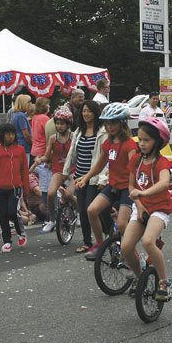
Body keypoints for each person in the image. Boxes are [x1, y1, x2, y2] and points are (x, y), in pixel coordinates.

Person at [123, 117, 172, 301]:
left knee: (148, 241)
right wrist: (139, 202)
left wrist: (143, 194)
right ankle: (140, 276)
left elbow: (164, 182)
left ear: (157, 142)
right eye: (140, 139)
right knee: (126, 247)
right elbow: (131, 186)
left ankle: (164, 282)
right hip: (141, 207)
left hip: (159, 208)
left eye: (147, 140)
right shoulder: (136, 160)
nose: (142, 143)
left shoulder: (162, 163)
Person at [79, 102, 138, 260]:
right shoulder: (108, 143)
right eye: (107, 123)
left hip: (127, 188)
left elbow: (135, 169)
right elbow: (99, 165)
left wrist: (135, 189)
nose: (109, 127)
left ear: (122, 123)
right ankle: (100, 244)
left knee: (122, 224)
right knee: (91, 210)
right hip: (113, 186)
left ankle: (132, 254)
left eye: (113, 123)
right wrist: (86, 178)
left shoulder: (130, 145)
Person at [62, 99, 108, 253]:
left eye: (89, 111)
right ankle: (88, 242)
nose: (86, 114)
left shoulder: (102, 132)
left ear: (96, 113)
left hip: (94, 177)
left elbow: (104, 158)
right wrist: (66, 172)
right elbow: (72, 154)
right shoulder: (79, 131)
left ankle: (104, 238)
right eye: (84, 111)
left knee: (92, 209)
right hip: (80, 176)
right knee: (82, 210)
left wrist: (103, 178)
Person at [0, 123, 32, 252]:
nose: (10, 136)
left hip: (15, 188)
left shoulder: (20, 150)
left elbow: (25, 170)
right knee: (2, 215)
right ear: (2, 135)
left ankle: (21, 233)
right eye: (8, 134)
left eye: (12, 134)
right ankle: (7, 241)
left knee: (12, 212)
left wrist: (26, 188)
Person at [38, 106, 73, 233]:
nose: (59, 126)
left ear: (68, 124)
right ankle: (52, 220)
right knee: (51, 194)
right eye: (57, 123)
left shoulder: (73, 137)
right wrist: (39, 160)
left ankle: (79, 214)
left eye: (62, 123)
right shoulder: (53, 138)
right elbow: (47, 156)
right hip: (58, 170)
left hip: (71, 171)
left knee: (70, 195)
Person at [30, 97, 52, 189]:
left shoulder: (35, 117)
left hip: (34, 150)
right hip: (43, 152)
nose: (49, 106)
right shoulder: (45, 118)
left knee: (37, 180)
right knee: (45, 182)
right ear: (44, 106)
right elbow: (49, 136)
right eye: (47, 104)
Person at [11, 94, 33, 163]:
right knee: (25, 168)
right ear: (24, 103)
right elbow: (26, 134)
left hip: (19, 145)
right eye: (29, 102)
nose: (30, 104)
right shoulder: (21, 116)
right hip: (24, 146)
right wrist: (32, 143)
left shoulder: (17, 114)